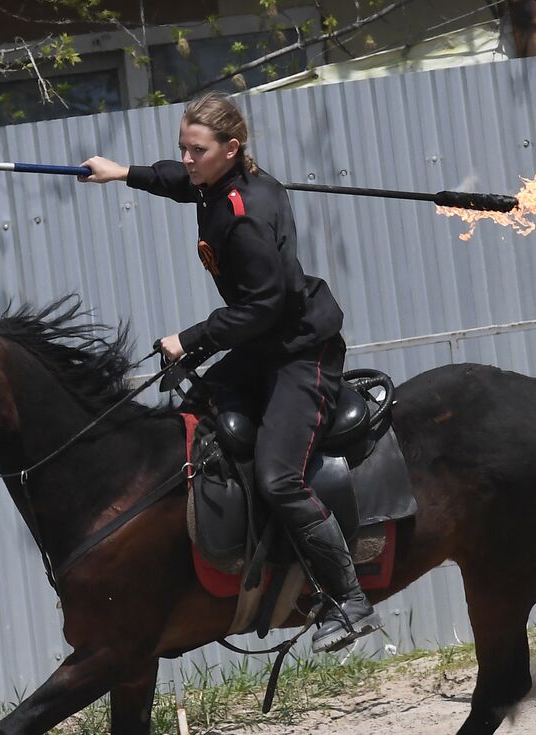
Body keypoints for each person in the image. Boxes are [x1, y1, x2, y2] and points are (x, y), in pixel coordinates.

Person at [80, 92, 381, 653]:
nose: (187, 160)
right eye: (183, 149)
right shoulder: (216, 184)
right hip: (263, 344)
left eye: (197, 151)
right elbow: (177, 181)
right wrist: (121, 173)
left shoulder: (243, 217)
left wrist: (189, 339)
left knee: (279, 477)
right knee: (194, 418)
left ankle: (348, 599)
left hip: (298, 352)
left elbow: (264, 304)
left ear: (230, 148)